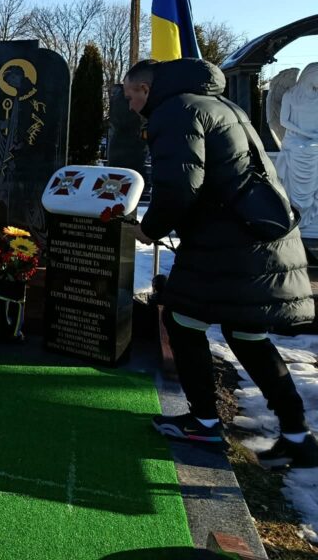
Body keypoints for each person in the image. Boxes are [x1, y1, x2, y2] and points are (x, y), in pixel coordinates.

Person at [123, 58, 317, 468]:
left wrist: (149, 229)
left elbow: (180, 185)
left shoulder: (176, 111)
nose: (130, 106)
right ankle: (297, 435)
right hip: (262, 236)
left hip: (228, 242)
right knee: (246, 333)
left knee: (181, 320)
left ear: (145, 89)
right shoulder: (220, 105)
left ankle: (204, 422)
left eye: (129, 96)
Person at [274, 63, 318, 235]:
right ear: (310, 75)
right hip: (294, 139)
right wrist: (306, 134)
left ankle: (308, 210)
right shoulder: (290, 95)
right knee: (302, 150)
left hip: (314, 139)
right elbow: (283, 121)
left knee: (313, 150)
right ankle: (296, 210)